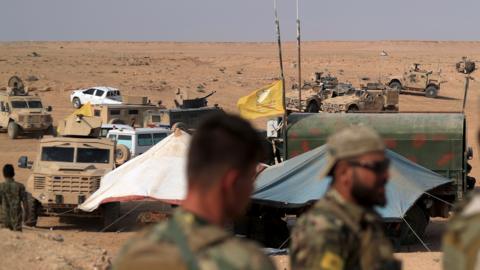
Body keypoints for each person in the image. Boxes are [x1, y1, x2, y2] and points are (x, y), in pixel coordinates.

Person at [113, 113, 275, 270]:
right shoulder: (247, 262)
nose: (251, 189)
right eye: (249, 179)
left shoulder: (134, 253)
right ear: (231, 182)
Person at [290, 126, 401, 270]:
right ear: (344, 172)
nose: (386, 175)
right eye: (377, 167)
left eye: (385, 166)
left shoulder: (363, 222)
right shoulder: (324, 231)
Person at [0, 164, 26, 231]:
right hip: (17, 220)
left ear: (4, 174)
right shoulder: (20, 187)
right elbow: (26, 204)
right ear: (13, 173)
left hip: (3, 219)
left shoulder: (1, 187)